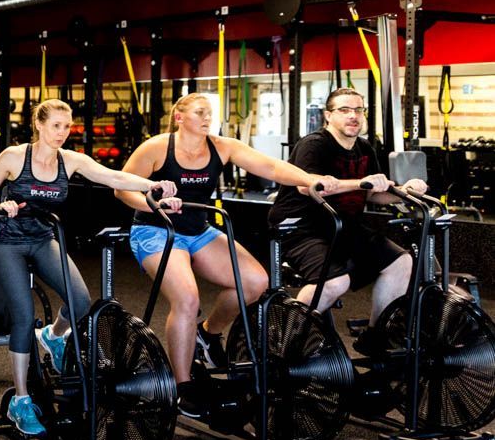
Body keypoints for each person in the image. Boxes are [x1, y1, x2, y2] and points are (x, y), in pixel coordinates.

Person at [117, 92, 340, 417]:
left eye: (210, 112)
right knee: (187, 299)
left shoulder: (221, 146)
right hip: (156, 230)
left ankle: (207, 335)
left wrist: (309, 179)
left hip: (198, 231)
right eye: (199, 112)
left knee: (254, 281)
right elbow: (121, 188)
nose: (207, 118)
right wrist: (153, 203)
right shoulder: (156, 148)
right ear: (179, 117)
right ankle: (183, 386)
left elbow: (272, 166)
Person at [0, 99, 176, 436]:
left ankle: (54, 337)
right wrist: (1, 205)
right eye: (55, 125)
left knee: (81, 301)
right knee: (24, 316)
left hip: (42, 239)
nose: (61, 133)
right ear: (38, 125)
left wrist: (150, 185)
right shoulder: (13, 157)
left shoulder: (71, 161)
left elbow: (111, 176)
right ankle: (21, 401)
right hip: (5, 241)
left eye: (66, 126)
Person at [268, 87, 424, 333]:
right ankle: (284, 336)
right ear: (328, 116)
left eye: (358, 110)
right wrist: (361, 183)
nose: (353, 116)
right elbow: (307, 186)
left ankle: (376, 337)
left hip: (343, 226)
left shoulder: (364, 148)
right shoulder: (314, 145)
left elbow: (373, 194)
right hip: (302, 228)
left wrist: (405, 191)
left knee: (401, 262)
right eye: (344, 110)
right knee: (333, 282)